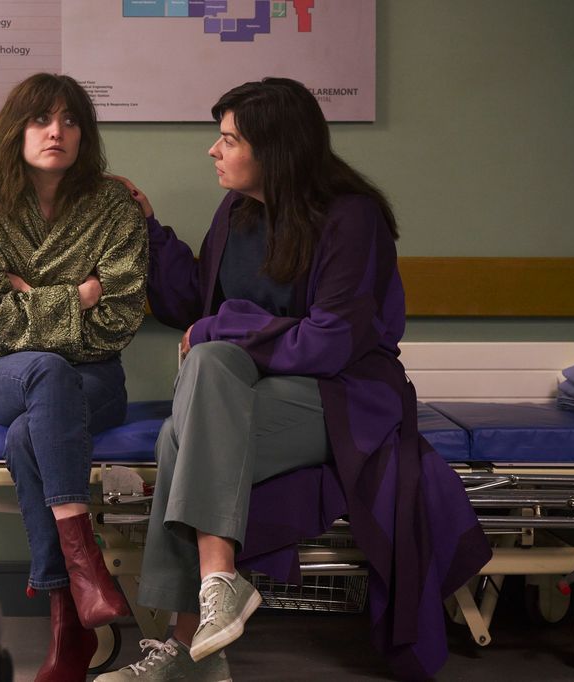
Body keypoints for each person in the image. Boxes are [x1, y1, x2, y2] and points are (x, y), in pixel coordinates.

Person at [99, 78, 490, 681]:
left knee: (181, 435)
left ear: (275, 150)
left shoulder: (352, 218)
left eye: (229, 139)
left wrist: (224, 326)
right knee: (203, 379)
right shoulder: (238, 210)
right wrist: (148, 226)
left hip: (343, 398)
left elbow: (330, 343)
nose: (213, 150)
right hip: (249, 391)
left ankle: (187, 651)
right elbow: (196, 302)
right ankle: (217, 590)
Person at [0, 72, 148, 682]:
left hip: (96, 381)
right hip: (0, 376)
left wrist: (32, 297)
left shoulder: (114, 207)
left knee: (27, 434)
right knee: (45, 368)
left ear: (85, 134)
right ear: (17, 129)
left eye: (69, 120)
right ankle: (84, 562)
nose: (55, 131)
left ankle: (69, 624)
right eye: (41, 119)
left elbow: (118, 320)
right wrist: (78, 297)